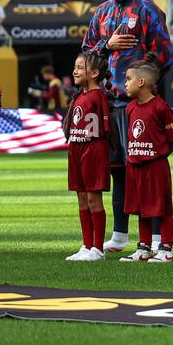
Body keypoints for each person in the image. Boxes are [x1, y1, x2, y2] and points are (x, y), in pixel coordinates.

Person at [81, 0, 173, 254]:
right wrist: (106, 46)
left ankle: (157, 238)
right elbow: (86, 55)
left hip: (138, 106)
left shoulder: (148, 10)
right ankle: (120, 235)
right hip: (107, 102)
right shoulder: (102, 12)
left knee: (145, 167)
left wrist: (142, 89)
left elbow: (162, 56)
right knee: (117, 169)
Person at [119, 61, 173, 263]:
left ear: (142, 82)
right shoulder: (129, 108)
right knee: (140, 208)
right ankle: (143, 247)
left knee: (162, 207)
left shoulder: (161, 107)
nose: (125, 84)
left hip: (155, 166)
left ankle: (166, 247)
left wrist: (157, 154)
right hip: (135, 166)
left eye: (129, 79)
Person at [63, 53, 112, 262]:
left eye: (81, 67)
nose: (75, 71)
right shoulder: (79, 96)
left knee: (93, 198)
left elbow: (105, 127)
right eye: (75, 67)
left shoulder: (98, 95)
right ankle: (87, 244)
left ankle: (98, 248)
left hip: (93, 149)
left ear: (94, 73)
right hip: (76, 148)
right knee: (81, 198)